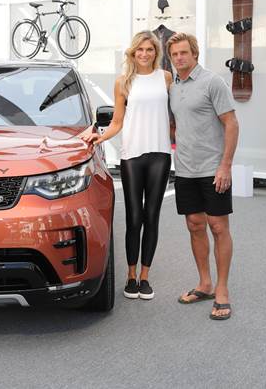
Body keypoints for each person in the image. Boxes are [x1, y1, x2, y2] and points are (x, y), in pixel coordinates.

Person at [82, 31, 172, 300]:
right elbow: (117, 122)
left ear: (156, 53)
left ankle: (145, 277)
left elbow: (176, 113)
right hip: (132, 155)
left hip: (160, 154)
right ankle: (130, 276)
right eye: (140, 50)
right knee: (134, 217)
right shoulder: (123, 82)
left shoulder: (166, 78)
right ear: (133, 53)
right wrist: (99, 136)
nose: (144, 54)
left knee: (151, 216)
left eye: (149, 50)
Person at [167, 32, 239, 320]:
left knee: (218, 227)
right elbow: (178, 125)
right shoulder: (173, 88)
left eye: (184, 52)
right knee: (195, 225)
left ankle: (222, 290)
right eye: (174, 54)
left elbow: (231, 124)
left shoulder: (213, 82)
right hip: (185, 169)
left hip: (213, 169)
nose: (179, 58)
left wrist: (225, 166)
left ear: (194, 53)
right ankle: (205, 284)